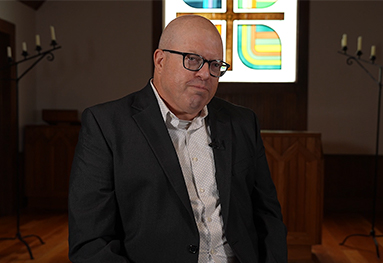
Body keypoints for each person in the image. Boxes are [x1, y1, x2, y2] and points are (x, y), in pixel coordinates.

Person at [68, 15, 287, 263]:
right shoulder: (106, 125)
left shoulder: (243, 122)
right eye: (193, 59)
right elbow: (90, 242)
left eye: (215, 65)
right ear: (160, 60)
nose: (206, 73)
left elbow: (268, 216)